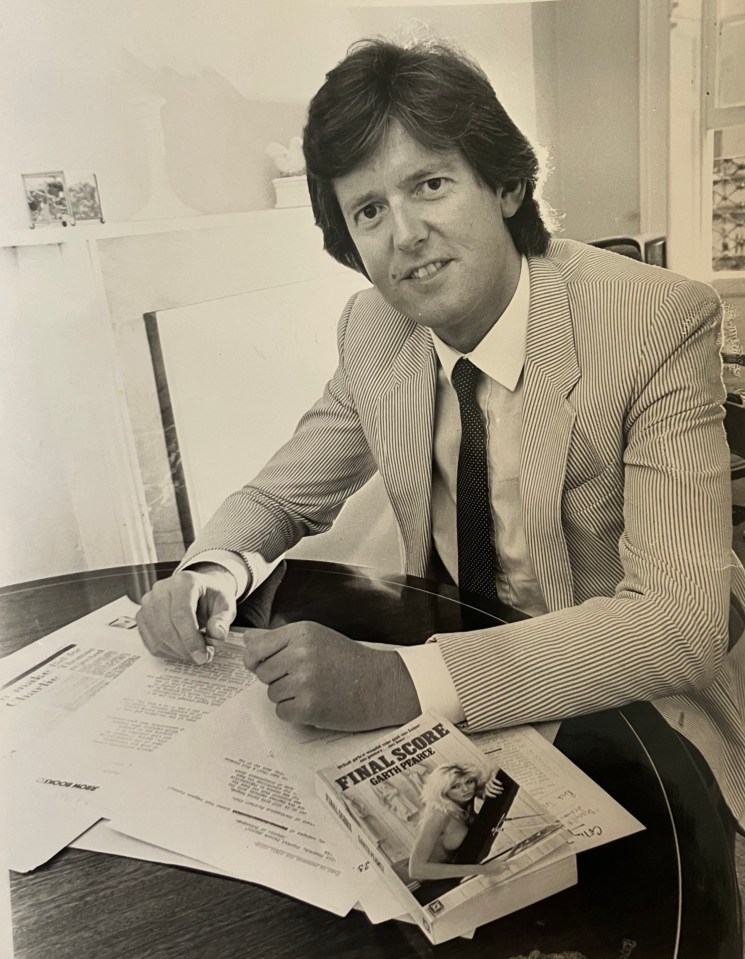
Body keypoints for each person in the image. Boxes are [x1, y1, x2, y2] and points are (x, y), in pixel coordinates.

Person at [137, 38, 745, 834]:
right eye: (369, 211)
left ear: (504, 183)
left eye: (428, 184)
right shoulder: (373, 329)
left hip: (629, 701)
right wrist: (206, 572)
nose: (405, 234)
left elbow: (678, 623)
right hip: (455, 679)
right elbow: (275, 495)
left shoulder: (655, 319)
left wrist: (399, 681)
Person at [408, 763, 505, 882]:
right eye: (455, 786)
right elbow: (416, 870)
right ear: (443, 792)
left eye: (469, 782)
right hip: (428, 882)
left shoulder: (464, 797)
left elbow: (496, 766)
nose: (465, 789)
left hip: (458, 872)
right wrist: (483, 869)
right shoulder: (438, 815)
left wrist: (494, 776)